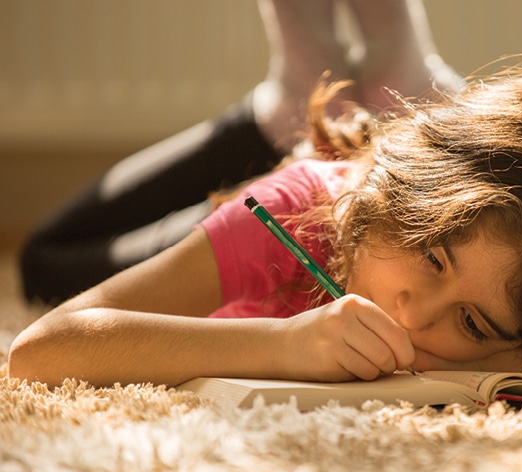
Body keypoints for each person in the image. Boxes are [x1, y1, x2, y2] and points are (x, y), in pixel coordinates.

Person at [8, 57, 522, 405]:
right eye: (432, 258)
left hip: (397, 170)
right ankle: (276, 103)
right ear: (408, 189)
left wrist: (516, 358)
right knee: (44, 262)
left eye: (473, 321)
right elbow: (45, 349)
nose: (414, 317)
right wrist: (280, 345)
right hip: (296, 183)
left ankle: (396, 75)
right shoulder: (292, 215)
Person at [17, 0, 463, 306]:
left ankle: (314, 98)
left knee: (41, 262)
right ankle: (382, 83)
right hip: (377, 161)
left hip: (323, 193)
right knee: (41, 258)